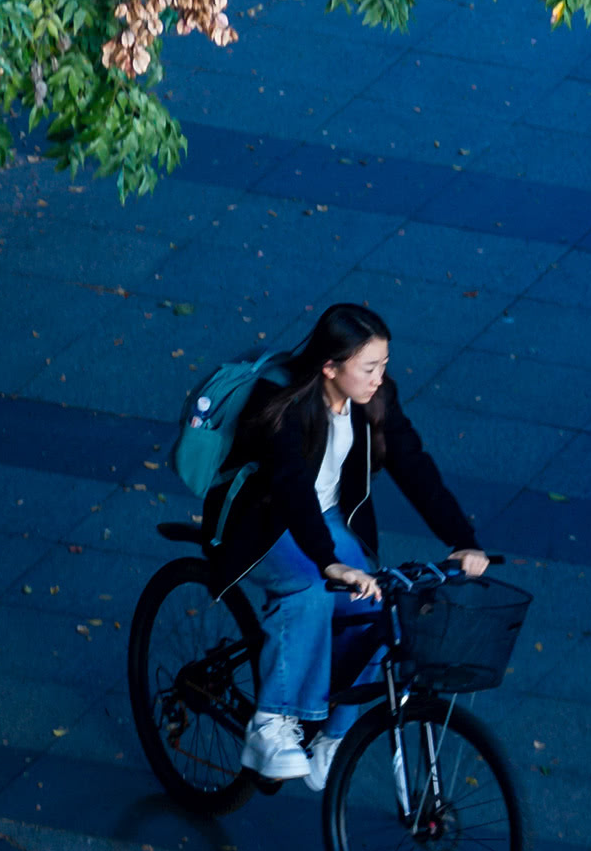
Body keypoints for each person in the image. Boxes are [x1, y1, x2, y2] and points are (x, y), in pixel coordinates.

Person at [204, 302, 489, 790]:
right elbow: (292, 488)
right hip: (266, 520)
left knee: (378, 601)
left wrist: (463, 540)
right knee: (311, 589)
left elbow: (414, 467)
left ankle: (332, 738)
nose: (380, 377)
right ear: (330, 367)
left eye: (384, 364)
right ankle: (270, 723)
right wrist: (329, 562)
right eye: (369, 367)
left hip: (327, 518)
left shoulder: (374, 399)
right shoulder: (284, 403)